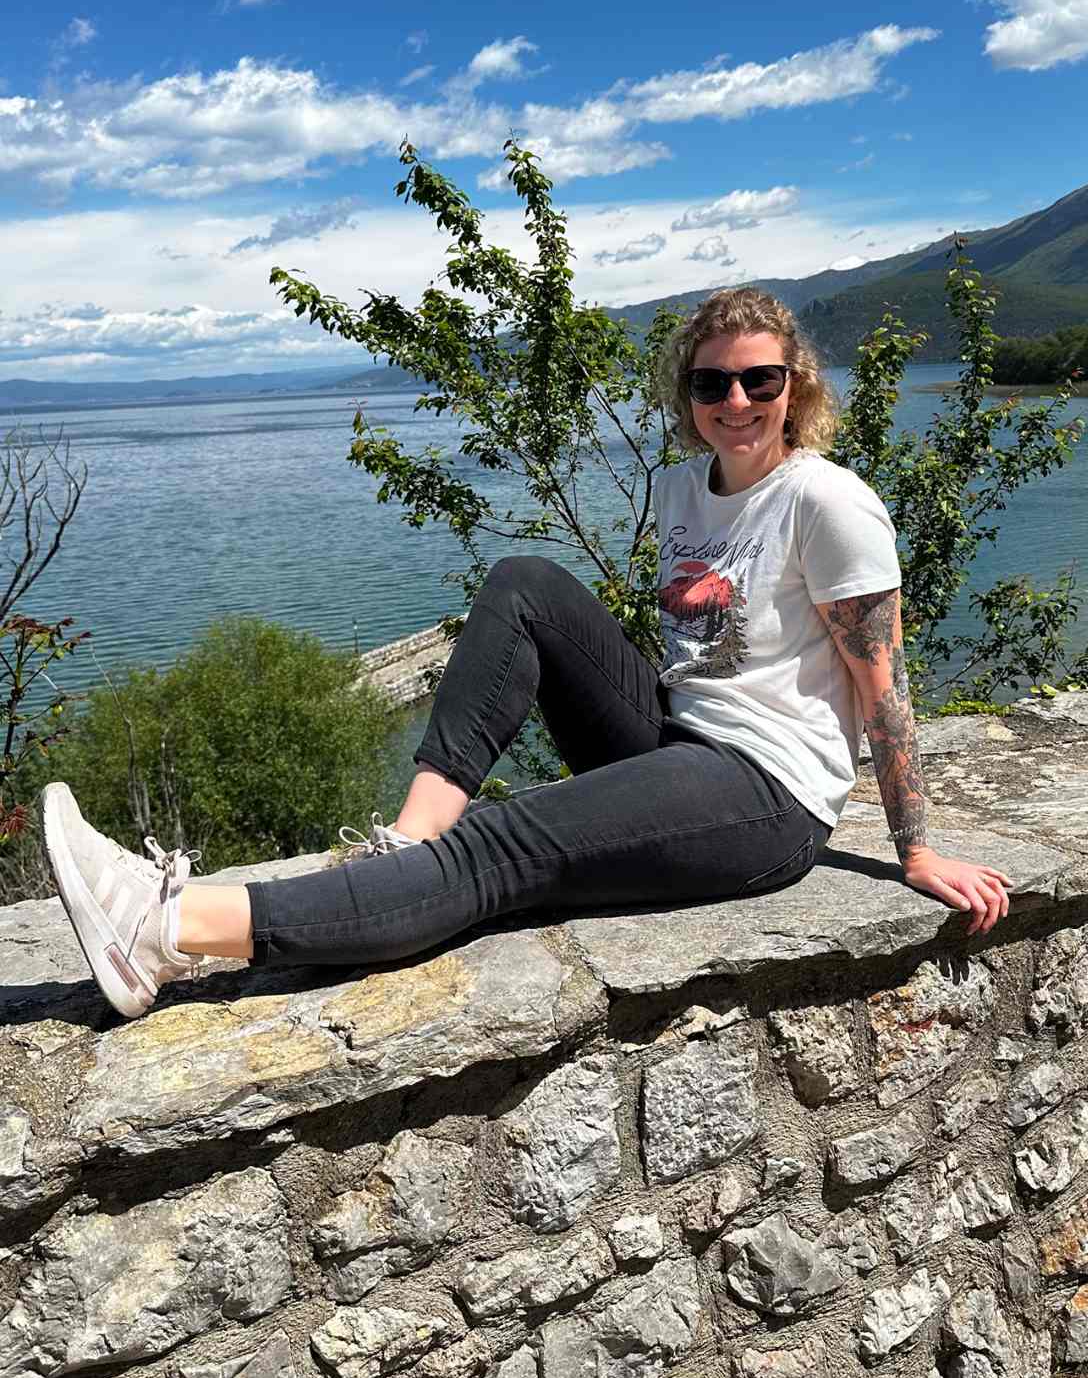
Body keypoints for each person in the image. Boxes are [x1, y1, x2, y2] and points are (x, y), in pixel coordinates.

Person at [40, 287, 1011, 1023]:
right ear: (688, 393)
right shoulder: (684, 487)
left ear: (796, 386)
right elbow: (703, 651)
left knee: (506, 849)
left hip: (768, 791)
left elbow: (881, 680)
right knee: (524, 583)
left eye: (762, 378)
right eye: (714, 381)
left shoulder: (827, 502)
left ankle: (164, 931)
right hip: (682, 736)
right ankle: (412, 842)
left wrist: (914, 846)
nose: (739, 399)